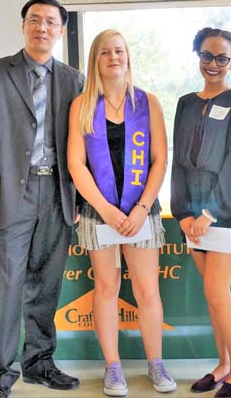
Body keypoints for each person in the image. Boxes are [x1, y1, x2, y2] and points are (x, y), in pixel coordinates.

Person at [0, 0, 84, 398]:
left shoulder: (74, 80)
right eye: (34, 20)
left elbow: (86, 146)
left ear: (60, 31)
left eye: (50, 22)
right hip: (10, 196)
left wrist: (82, 203)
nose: (41, 28)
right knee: (7, 288)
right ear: (23, 26)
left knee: (46, 285)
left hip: (58, 194)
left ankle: (39, 363)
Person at [67, 29, 175, 397]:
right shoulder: (82, 106)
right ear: (95, 60)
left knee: (147, 291)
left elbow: (160, 160)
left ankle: (156, 364)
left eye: (120, 51)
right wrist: (105, 210)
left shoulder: (149, 103)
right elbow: (76, 163)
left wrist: (142, 207)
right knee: (107, 288)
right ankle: (113, 368)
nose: (114, 57)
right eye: (105, 52)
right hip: (100, 214)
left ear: (128, 57)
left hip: (143, 212)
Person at [170, 28, 231, 398]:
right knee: (211, 295)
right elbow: (178, 164)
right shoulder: (186, 103)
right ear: (198, 56)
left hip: (225, 211)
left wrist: (210, 212)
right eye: (207, 56)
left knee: (218, 291)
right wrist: (182, 213)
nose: (213, 64)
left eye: (222, 58)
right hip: (192, 214)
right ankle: (222, 365)